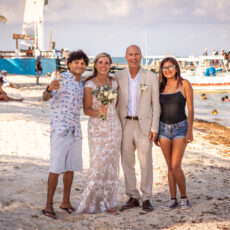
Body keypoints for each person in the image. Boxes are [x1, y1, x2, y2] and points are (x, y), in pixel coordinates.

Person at [42, 50, 89, 219]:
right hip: (60, 130)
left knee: (70, 168)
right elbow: (45, 97)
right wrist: (48, 88)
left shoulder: (82, 83)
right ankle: (48, 205)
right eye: (76, 62)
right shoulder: (60, 79)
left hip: (75, 131)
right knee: (55, 168)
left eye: (83, 63)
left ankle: (66, 202)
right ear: (69, 64)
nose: (80, 65)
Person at [115, 45, 160, 212]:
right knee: (127, 162)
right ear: (126, 56)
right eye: (131, 54)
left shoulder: (151, 76)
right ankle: (133, 196)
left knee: (146, 162)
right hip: (124, 124)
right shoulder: (118, 76)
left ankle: (146, 197)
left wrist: (154, 127)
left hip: (144, 126)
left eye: (137, 54)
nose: (134, 57)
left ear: (141, 56)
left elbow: (156, 105)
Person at [76, 53, 122, 213]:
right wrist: (98, 112)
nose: (104, 65)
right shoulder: (89, 84)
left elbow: (117, 106)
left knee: (111, 165)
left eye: (107, 63)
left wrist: (109, 114)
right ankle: (90, 203)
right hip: (97, 128)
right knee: (97, 164)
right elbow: (86, 109)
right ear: (95, 65)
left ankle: (108, 203)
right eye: (101, 62)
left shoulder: (114, 83)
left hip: (114, 127)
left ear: (110, 65)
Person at [154, 57, 194, 211]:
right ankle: (173, 199)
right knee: (169, 166)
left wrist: (190, 130)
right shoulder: (160, 86)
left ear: (176, 68)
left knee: (176, 165)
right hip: (163, 129)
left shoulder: (184, 84)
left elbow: (190, 109)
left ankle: (184, 198)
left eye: (170, 66)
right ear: (161, 71)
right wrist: (156, 131)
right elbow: (158, 110)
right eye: (164, 68)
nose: (168, 70)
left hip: (180, 128)